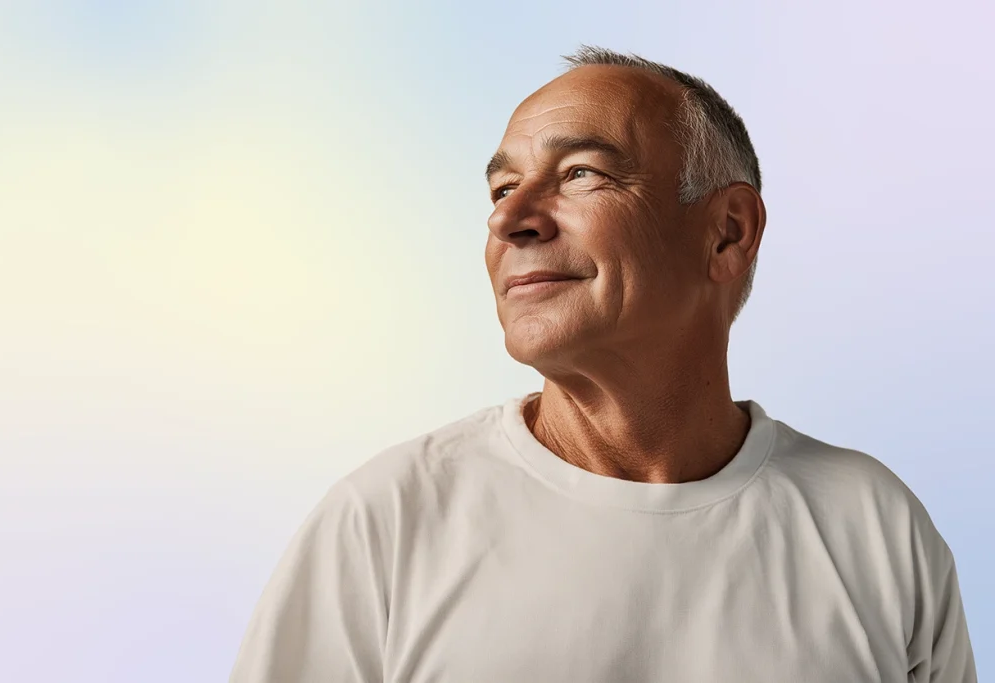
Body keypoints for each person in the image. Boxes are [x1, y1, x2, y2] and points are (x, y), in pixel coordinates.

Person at [230, 45, 976, 682]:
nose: (508, 218)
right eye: (499, 187)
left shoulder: (875, 529)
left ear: (726, 233)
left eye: (581, 172)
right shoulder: (385, 524)